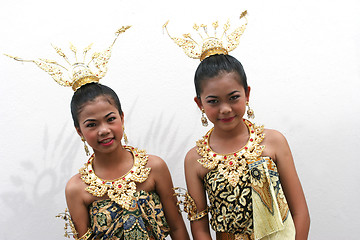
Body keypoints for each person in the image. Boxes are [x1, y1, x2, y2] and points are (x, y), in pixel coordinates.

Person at [7, 27, 189, 240]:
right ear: (79, 131)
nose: (104, 130)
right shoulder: (76, 189)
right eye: (92, 124)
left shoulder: (154, 167)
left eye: (110, 119)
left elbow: (177, 229)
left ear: (122, 118)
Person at [164, 12, 310, 240]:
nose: (225, 109)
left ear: (247, 93)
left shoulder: (273, 142)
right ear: (199, 103)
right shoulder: (195, 160)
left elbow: (300, 211)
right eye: (213, 101)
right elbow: (200, 228)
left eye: (233, 97)